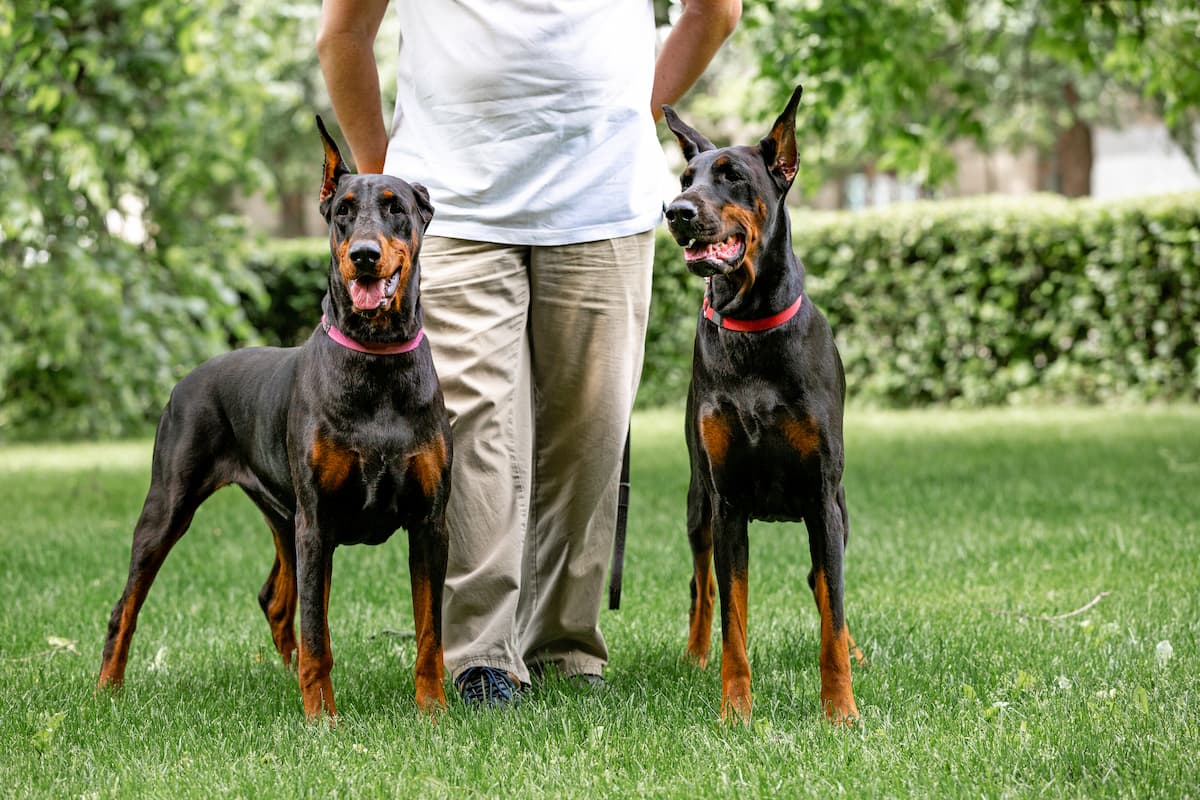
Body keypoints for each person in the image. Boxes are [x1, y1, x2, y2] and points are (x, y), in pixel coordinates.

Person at [317, 0, 741, 707]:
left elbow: (715, 10)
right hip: (454, 208)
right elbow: (343, 34)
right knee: (474, 425)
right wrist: (384, 185)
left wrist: (629, 113)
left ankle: (564, 646)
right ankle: (481, 655)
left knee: (591, 431)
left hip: (601, 200)